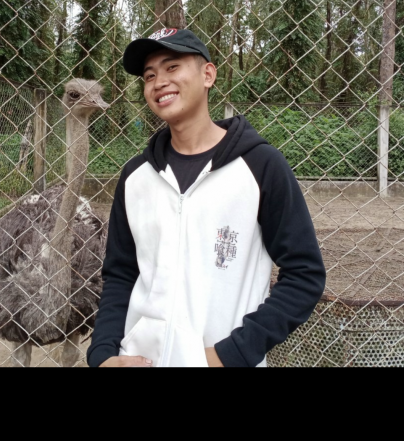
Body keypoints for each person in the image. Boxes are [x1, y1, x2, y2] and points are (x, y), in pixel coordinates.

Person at [86, 27, 326, 367]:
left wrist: (231, 354)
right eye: (149, 75)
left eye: (172, 67)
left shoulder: (260, 166)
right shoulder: (135, 177)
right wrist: (103, 355)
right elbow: (121, 275)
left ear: (208, 75)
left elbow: (305, 275)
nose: (159, 82)